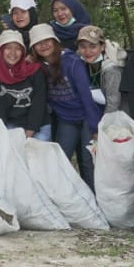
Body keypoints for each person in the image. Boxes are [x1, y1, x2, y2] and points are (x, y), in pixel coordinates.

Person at [31, 23, 100, 188]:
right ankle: (66, 200)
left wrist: (94, 128)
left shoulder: (71, 62)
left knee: (87, 162)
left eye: (47, 41)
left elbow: (86, 97)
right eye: (39, 43)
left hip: (85, 117)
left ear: (55, 42)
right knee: (61, 160)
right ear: (33, 47)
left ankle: (95, 204)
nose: (44, 45)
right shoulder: (37, 67)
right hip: (65, 120)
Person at [0, 30, 47, 137]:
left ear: (23, 52)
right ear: (1, 50)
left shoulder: (34, 71)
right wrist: (1, 134)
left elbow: (39, 102)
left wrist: (30, 131)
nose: (13, 53)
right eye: (8, 48)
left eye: (18, 49)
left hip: (38, 125)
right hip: (12, 124)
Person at [76, 25, 122, 115]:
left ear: (102, 47)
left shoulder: (111, 69)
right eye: (83, 46)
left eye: (92, 46)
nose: (87, 51)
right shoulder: (80, 64)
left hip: (111, 116)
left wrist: (102, 126)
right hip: (91, 112)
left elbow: (113, 104)